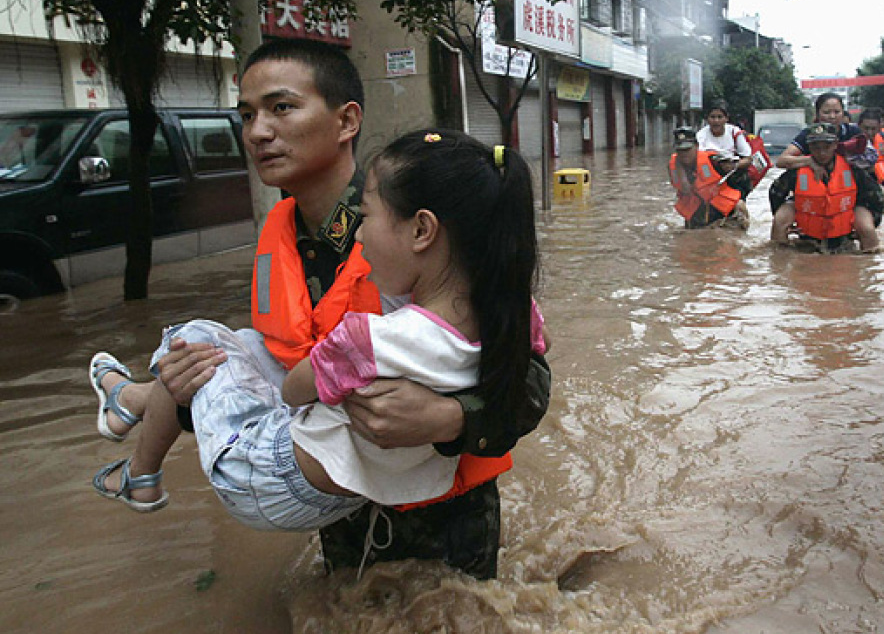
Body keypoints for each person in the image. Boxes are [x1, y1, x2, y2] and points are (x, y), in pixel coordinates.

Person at [88, 38, 552, 580]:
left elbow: (529, 379)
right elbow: (283, 383)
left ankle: (132, 400)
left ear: (346, 120)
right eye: (246, 115)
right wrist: (185, 385)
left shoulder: (416, 220)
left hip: (443, 519)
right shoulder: (279, 235)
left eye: (282, 108)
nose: (259, 132)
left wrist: (449, 418)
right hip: (334, 502)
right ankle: (144, 397)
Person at [774, 93, 875, 248]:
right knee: (780, 221)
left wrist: (846, 160)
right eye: (826, 112)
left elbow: (872, 166)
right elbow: (780, 171)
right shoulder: (807, 136)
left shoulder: (854, 134)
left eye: (836, 112)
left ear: (835, 145)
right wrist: (809, 161)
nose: (832, 117)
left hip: (848, 195)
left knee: (867, 229)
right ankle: (779, 260)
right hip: (810, 198)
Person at [668, 127, 749, 230]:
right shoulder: (673, 167)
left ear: (697, 146)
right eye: (680, 150)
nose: (684, 154)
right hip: (695, 213)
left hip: (724, 210)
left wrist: (740, 202)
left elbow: (743, 180)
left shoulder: (715, 161)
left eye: (687, 149)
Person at [696, 102, 753, 193]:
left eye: (720, 117)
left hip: (735, 179)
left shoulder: (734, 132)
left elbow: (748, 159)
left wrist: (734, 166)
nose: (716, 121)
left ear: (726, 118)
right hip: (711, 179)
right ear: (707, 119)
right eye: (712, 117)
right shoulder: (701, 136)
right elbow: (698, 161)